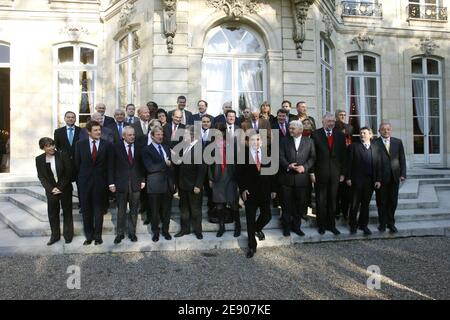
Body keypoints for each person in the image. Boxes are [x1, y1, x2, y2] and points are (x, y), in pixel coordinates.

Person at [238, 133, 277, 258]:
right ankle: (251, 246)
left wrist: (273, 189)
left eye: (258, 139)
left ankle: (257, 228)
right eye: (253, 140)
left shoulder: (267, 153)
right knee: (250, 219)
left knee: (267, 216)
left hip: (265, 191)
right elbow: (239, 175)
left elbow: (272, 173)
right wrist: (242, 190)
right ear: (249, 142)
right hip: (250, 192)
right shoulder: (243, 155)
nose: (256, 142)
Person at [75, 120, 112, 245]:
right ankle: (89, 236)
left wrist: (109, 182)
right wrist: (80, 181)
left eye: (99, 130)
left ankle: (98, 236)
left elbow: (109, 165)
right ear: (88, 132)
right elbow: (77, 164)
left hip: (100, 183)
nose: (98, 132)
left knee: (98, 211)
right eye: (95, 130)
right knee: (86, 211)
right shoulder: (80, 144)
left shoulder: (107, 145)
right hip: (84, 183)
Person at [108, 126, 146, 244]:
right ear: (123, 136)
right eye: (130, 135)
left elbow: (141, 165)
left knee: (134, 210)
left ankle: (132, 233)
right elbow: (111, 167)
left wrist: (143, 180)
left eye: (133, 135)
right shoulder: (115, 147)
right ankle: (120, 234)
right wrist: (111, 183)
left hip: (135, 183)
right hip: (121, 184)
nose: (132, 137)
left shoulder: (139, 147)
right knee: (121, 210)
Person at [311, 112, 346, 235]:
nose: (331, 123)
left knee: (333, 201)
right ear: (323, 122)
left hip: (336, 174)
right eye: (329, 121)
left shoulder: (340, 135)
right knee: (321, 200)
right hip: (320, 173)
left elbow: (343, 156)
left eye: (333, 121)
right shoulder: (315, 135)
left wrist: (343, 173)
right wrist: (312, 173)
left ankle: (331, 225)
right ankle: (321, 225)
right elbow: (312, 156)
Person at [279, 120, 316, 237]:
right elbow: (280, 156)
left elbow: (313, 158)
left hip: (301, 179)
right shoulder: (284, 140)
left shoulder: (309, 141)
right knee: (286, 204)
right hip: (287, 178)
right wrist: (287, 165)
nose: (290, 130)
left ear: (300, 130)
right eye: (289, 128)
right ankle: (286, 227)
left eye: (292, 128)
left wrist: (304, 167)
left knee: (299, 205)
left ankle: (296, 227)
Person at [35, 137, 74, 245]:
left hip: (65, 188)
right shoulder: (39, 159)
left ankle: (68, 235)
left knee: (67, 212)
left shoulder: (62, 155)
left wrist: (60, 188)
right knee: (52, 213)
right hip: (51, 190)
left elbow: (68, 173)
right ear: (43, 148)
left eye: (52, 145)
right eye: (48, 146)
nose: (51, 147)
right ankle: (55, 236)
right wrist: (51, 189)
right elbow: (41, 176)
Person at [141, 126, 176, 242]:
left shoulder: (166, 148)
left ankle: (165, 231)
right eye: (158, 135)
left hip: (167, 185)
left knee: (167, 211)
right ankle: (155, 232)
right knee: (154, 212)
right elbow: (149, 167)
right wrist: (164, 164)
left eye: (161, 135)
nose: (160, 137)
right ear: (152, 136)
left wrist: (173, 182)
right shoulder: (146, 150)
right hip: (154, 186)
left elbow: (171, 167)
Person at [346, 127, 381, 235]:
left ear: (371, 135)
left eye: (364, 133)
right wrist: (348, 178)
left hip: (370, 181)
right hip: (356, 181)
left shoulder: (376, 148)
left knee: (365, 204)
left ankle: (363, 225)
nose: (362, 135)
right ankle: (353, 225)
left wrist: (378, 180)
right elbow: (348, 163)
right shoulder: (353, 147)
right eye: (361, 133)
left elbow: (378, 165)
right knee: (354, 204)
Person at [209, 123, 240, 238]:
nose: (219, 134)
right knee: (219, 203)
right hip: (218, 177)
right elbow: (209, 164)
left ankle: (238, 226)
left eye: (221, 131)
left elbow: (238, 161)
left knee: (233, 203)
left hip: (230, 176)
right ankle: (221, 227)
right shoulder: (211, 146)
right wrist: (210, 178)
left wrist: (238, 178)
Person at [175, 126, 206, 239]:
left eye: (186, 134)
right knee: (184, 209)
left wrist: (198, 185)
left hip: (194, 185)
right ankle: (185, 229)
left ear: (192, 135)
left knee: (195, 209)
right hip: (183, 184)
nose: (183, 136)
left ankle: (198, 230)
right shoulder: (186, 147)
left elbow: (202, 168)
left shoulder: (199, 148)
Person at [374, 122, 407, 233]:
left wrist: (403, 174)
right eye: (383, 129)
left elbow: (402, 158)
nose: (386, 131)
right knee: (382, 202)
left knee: (393, 201)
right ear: (379, 131)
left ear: (391, 130)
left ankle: (391, 223)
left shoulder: (397, 142)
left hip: (394, 177)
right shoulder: (375, 142)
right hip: (381, 178)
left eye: (388, 129)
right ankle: (382, 223)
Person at [334, 109, 353, 220]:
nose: (342, 116)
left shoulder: (349, 127)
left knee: (346, 191)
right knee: (337, 191)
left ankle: (345, 211)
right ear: (336, 116)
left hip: (347, 158)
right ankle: (337, 211)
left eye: (344, 115)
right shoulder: (334, 126)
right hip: (337, 158)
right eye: (340, 115)